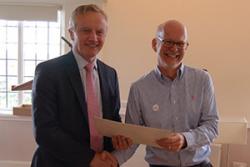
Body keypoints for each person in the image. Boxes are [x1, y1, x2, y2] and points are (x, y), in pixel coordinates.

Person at [112, 20, 219, 167]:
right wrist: (113, 160)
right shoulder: (139, 89)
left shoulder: (202, 80)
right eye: (168, 42)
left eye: (180, 44)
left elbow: (212, 126)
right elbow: (133, 138)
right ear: (155, 44)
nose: (174, 49)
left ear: (186, 47)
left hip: (200, 164)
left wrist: (185, 139)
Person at [31, 4, 120, 167]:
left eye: (100, 32)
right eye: (86, 30)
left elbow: (113, 120)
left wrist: (119, 137)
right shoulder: (48, 72)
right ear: (71, 33)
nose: (94, 38)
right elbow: (45, 131)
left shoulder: (110, 74)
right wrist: (90, 159)